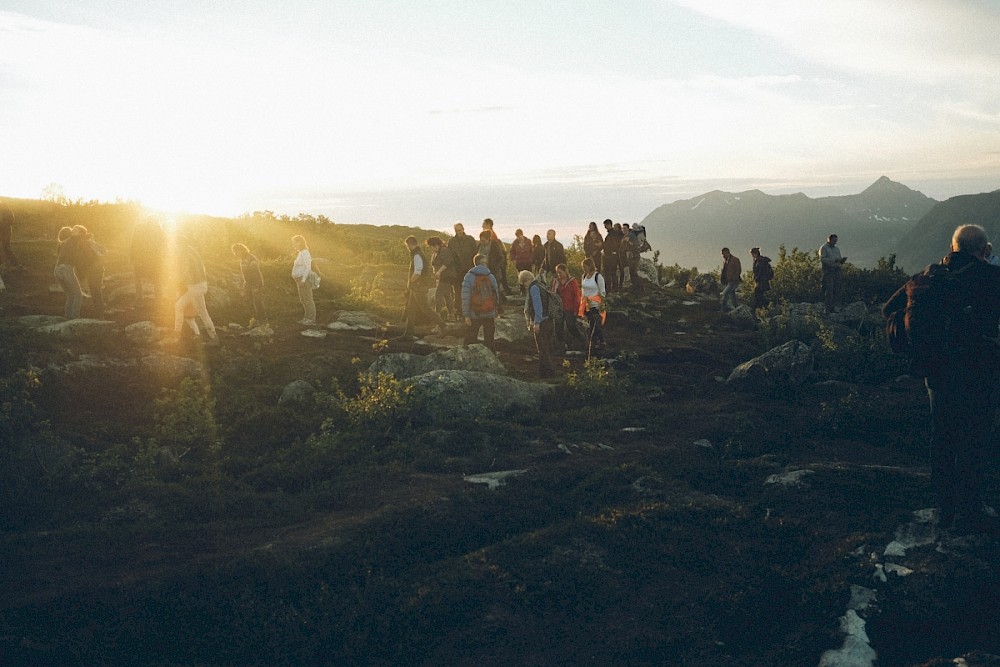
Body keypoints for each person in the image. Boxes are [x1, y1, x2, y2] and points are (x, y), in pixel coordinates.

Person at [883, 224, 1000, 535]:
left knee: (943, 437)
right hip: (979, 372)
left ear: (952, 248)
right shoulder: (991, 278)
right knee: (973, 440)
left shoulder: (926, 277)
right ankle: (971, 508)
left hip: (937, 373)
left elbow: (888, 308)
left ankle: (944, 509)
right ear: (984, 250)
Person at [173, 241, 219, 345]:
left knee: (179, 306)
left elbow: (184, 272)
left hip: (194, 287)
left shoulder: (185, 254)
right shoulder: (192, 251)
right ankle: (214, 338)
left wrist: (176, 281)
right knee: (203, 313)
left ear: (179, 243)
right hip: (201, 285)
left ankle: (176, 335)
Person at [401, 235, 445, 340]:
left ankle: (443, 326)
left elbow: (417, 272)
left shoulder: (417, 255)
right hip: (417, 287)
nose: (407, 248)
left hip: (418, 287)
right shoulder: (418, 254)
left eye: (407, 246)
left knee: (425, 309)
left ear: (409, 244)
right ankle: (408, 334)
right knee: (411, 310)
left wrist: (409, 282)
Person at [461, 253, 500, 351]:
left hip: (475, 312)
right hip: (489, 311)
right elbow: (496, 294)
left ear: (475, 263)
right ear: (485, 263)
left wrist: (466, 314)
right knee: (489, 339)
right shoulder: (490, 276)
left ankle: (467, 358)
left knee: (470, 338)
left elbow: (465, 296)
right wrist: (496, 310)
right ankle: (492, 359)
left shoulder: (469, 276)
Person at [520, 270, 555, 378]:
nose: (524, 286)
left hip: (542, 322)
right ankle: (542, 373)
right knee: (545, 348)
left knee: (542, 349)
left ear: (526, 281)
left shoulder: (534, 288)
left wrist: (537, 322)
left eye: (523, 284)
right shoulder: (541, 285)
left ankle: (550, 373)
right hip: (549, 320)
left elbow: (537, 306)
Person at [131, 216, 167, 306]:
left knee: (138, 279)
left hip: (141, 258)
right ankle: (158, 300)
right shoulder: (158, 230)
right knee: (157, 280)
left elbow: (134, 243)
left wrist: (132, 257)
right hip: (155, 260)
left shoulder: (139, 228)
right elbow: (163, 244)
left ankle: (139, 299)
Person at [71, 225, 106, 318]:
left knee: (95, 291)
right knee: (95, 291)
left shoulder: (83, 242)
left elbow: (85, 258)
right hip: (95, 270)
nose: (72, 231)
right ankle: (100, 313)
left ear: (81, 233)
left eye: (75, 230)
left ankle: (100, 314)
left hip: (95, 271)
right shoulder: (85, 242)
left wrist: (81, 274)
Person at [54, 226, 84, 319]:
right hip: (66, 269)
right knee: (78, 295)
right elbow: (82, 235)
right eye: (72, 230)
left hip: (57, 270)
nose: (73, 230)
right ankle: (75, 318)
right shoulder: (72, 240)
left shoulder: (62, 243)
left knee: (70, 295)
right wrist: (82, 233)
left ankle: (67, 317)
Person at [232, 243, 266, 326]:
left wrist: (255, 285)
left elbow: (254, 272)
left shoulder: (251, 258)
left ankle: (263, 321)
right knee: (249, 302)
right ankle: (254, 319)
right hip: (249, 283)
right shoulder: (242, 259)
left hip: (256, 283)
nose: (236, 253)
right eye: (234, 252)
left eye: (237, 251)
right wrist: (245, 284)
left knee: (257, 302)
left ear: (242, 250)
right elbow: (245, 274)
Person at [579, 257, 607, 354]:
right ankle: (594, 345)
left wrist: (601, 305)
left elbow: (602, 291)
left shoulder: (598, 276)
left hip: (596, 304)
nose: (584, 268)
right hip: (586, 304)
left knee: (595, 325)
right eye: (583, 267)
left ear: (590, 266)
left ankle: (598, 343)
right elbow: (583, 290)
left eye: (585, 266)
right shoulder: (584, 276)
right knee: (589, 325)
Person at [553, 263, 583, 351]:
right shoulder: (556, 282)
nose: (559, 275)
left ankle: (580, 339)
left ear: (565, 272)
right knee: (558, 327)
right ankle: (561, 345)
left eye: (560, 272)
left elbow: (577, 296)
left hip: (569, 307)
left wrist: (576, 309)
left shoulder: (572, 281)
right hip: (559, 308)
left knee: (571, 325)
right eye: (557, 273)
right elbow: (553, 294)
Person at [426, 236, 458, 321]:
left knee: (438, 294)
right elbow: (434, 264)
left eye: (431, 246)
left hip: (447, 276)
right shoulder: (435, 253)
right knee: (447, 295)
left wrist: (439, 272)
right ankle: (451, 314)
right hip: (441, 277)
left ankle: (438, 314)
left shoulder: (444, 250)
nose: (431, 248)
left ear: (436, 245)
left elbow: (447, 263)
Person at [291, 235, 318, 325]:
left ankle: (311, 319)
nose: (293, 245)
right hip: (299, 280)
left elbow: (308, 267)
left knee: (308, 299)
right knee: (303, 299)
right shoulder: (300, 252)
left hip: (304, 279)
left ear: (300, 242)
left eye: (295, 243)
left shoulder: (305, 252)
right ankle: (307, 317)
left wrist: (303, 280)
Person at [482, 218, 512, 295]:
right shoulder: (492, 233)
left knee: (497, 279)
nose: (482, 226)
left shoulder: (490, 234)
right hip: (498, 259)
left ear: (488, 225)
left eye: (484, 224)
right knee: (500, 278)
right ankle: (505, 292)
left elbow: (492, 249)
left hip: (495, 261)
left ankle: (502, 296)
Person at [819, 233, 846, 312]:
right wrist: (833, 261)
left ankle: (835, 306)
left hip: (836, 270)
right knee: (829, 289)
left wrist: (841, 261)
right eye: (834, 241)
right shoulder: (824, 248)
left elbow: (838, 259)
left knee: (837, 288)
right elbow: (822, 259)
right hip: (828, 270)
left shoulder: (836, 249)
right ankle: (828, 308)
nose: (835, 242)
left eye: (836, 241)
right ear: (829, 240)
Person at [0, 199, 24, 270]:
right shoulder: (6, 208)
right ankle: (15, 264)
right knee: (6, 248)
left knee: (6, 248)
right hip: (7, 230)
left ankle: (14, 264)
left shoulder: (2, 208)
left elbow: (2, 220)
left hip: (4, 230)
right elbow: (12, 220)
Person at [509, 228, 534, 293]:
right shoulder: (515, 243)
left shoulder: (528, 241)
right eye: (517, 236)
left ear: (522, 235)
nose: (518, 237)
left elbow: (532, 251)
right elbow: (512, 252)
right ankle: (522, 290)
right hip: (519, 263)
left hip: (528, 262)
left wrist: (531, 259)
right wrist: (513, 259)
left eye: (519, 235)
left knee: (529, 276)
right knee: (521, 277)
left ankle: (530, 290)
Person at [719, 247, 742, 312]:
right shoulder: (725, 261)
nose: (723, 255)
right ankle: (736, 307)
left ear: (727, 252)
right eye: (722, 254)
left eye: (723, 254)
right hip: (728, 281)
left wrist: (734, 278)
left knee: (725, 293)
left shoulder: (735, 260)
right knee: (732, 295)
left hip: (733, 281)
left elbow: (738, 270)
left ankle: (723, 309)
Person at [602, 219, 622, 292]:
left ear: (609, 225)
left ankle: (610, 288)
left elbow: (610, 245)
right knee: (612, 273)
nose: (605, 227)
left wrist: (602, 245)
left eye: (605, 225)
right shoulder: (613, 234)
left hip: (610, 256)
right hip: (612, 255)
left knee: (609, 273)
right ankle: (614, 287)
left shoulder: (612, 234)